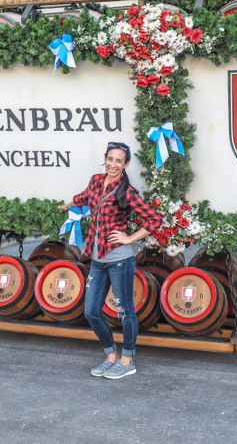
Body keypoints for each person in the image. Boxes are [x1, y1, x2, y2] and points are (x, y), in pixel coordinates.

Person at [59, 142, 161, 379]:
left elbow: (154, 220)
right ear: (105, 159)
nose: (113, 164)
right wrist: (67, 204)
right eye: (110, 159)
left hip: (119, 260)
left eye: (119, 161)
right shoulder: (96, 181)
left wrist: (130, 238)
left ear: (126, 165)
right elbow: (84, 197)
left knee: (125, 311)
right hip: (97, 259)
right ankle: (111, 355)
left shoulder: (127, 192)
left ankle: (127, 360)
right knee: (91, 312)